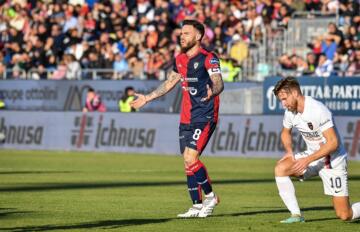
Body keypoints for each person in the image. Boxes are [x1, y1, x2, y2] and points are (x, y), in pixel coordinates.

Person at [131, 19, 224, 218]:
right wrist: (147, 98)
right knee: (186, 162)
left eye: (186, 33)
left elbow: (219, 82)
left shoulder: (209, 58)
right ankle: (196, 205)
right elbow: (170, 82)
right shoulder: (180, 59)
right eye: (181, 33)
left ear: (198, 36)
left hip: (205, 115)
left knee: (192, 158)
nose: (182, 37)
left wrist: (212, 91)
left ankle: (211, 196)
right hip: (186, 118)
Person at [273, 77, 360, 223]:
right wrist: (289, 151)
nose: (283, 104)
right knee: (281, 168)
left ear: (294, 93)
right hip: (313, 157)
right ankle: (296, 215)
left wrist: (307, 160)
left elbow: (333, 143)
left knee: (345, 215)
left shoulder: (317, 109)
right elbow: (285, 132)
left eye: (284, 99)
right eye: (281, 100)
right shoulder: (290, 112)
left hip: (333, 161)